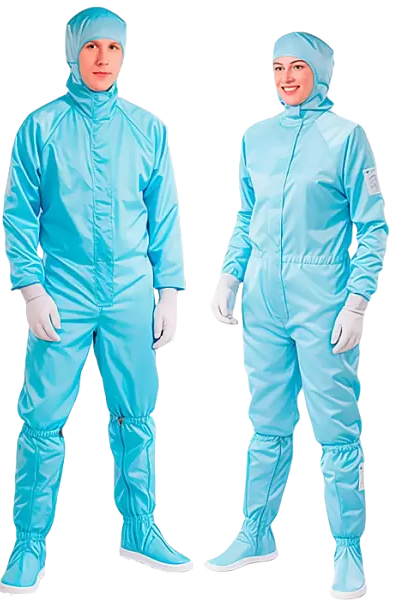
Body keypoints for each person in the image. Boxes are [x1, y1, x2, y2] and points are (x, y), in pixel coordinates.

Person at [0, 6, 193, 594]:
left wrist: (169, 289)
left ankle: (140, 529)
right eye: (91, 47)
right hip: (63, 285)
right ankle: (29, 544)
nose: (103, 59)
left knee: (137, 413)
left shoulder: (148, 128)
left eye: (113, 47)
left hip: (131, 288)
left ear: (125, 54)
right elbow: (18, 211)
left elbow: (164, 213)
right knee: (42, 416)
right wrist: (31, 286)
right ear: (72, 53)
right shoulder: (41, 127)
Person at [206, 30, 388, 600]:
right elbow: (247, 214)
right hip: (263, 301)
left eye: (297, 67)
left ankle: (348, 549)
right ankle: (255, 532)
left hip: (323, 298)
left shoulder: (346, 137)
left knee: (335, 427)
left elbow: (374, 228)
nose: (285, 78)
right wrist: (230, 275)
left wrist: (357, 300)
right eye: (277, 67)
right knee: (266, 421)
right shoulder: (255, 137)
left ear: (321, 72)